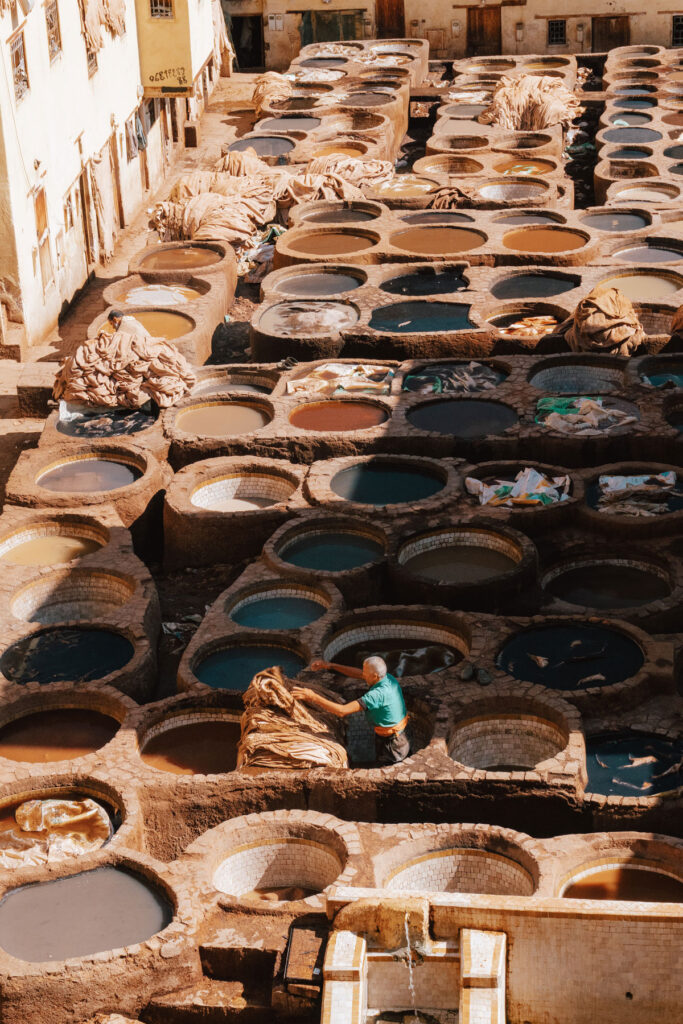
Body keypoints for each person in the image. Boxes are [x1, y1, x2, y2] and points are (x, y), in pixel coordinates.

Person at [292, 656, 410, 766]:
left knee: (389, 770)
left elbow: (342, 711)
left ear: (374, 676)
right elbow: (358, 673)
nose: (363, 674)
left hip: (394, 744)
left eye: (365, 672)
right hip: (394, 734)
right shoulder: (386, 678)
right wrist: (330, 665)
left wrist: (312, 696)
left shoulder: (377, 695)